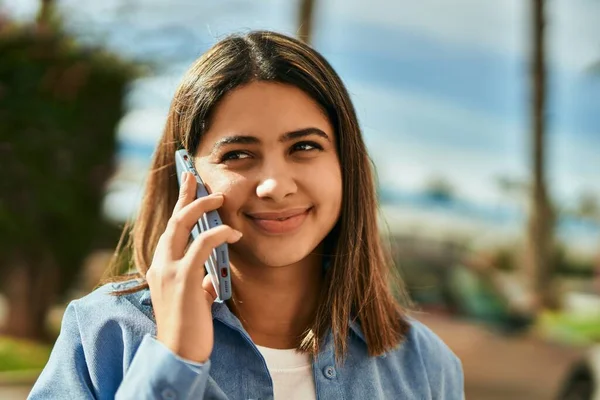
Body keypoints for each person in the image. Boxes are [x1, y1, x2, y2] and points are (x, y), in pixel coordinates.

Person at [28, 30, 464, 400]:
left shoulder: (427, 365)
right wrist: (173, 359)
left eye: (305, 147)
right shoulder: (102, 333)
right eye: (238, 154)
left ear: (345, 164)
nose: (275, 185)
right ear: (188, 174)